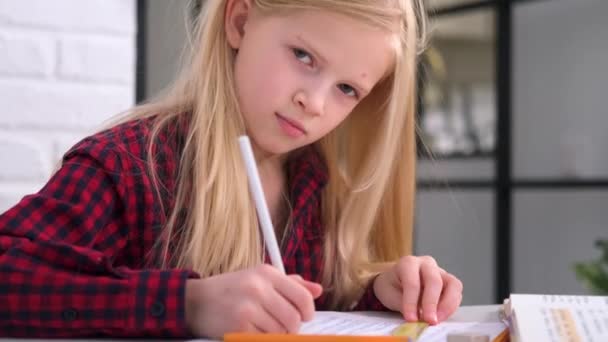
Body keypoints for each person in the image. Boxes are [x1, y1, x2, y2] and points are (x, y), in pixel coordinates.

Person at [0, 0, 463, 339]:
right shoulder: (128, 165)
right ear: (239, 21)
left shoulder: (316, 184)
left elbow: (316, 311)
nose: (314, 103)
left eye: (346, 88)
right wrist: (188, 304)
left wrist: (378, 291)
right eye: (304, 56)